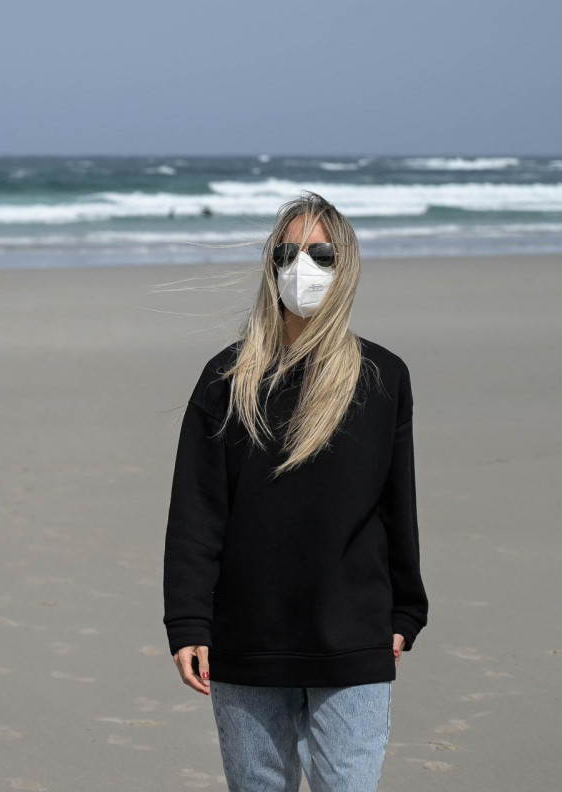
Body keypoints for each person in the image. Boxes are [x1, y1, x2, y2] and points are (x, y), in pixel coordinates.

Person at [163, 193, 428, 792]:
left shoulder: (383, 378)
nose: (299, 265)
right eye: (286, 251)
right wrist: (187, 621)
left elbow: (397, 505)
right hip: (248, 639)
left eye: (319, 253)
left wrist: (407, 612)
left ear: (346, 265)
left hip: (353, 638)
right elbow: (196, 512)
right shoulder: (227, 379)